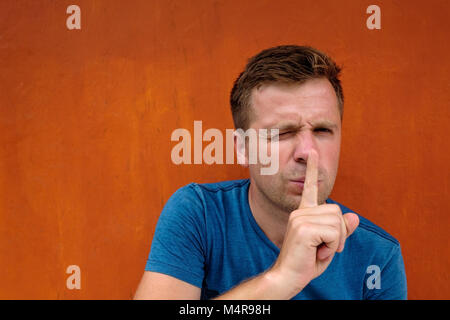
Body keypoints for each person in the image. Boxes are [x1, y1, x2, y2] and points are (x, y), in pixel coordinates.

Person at [133, 45, 407, 300]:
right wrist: (280, 280)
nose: (308, 152)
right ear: (242, 148)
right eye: (282, 133)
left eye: (323, 130)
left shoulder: (378, 257)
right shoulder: (198, 214)